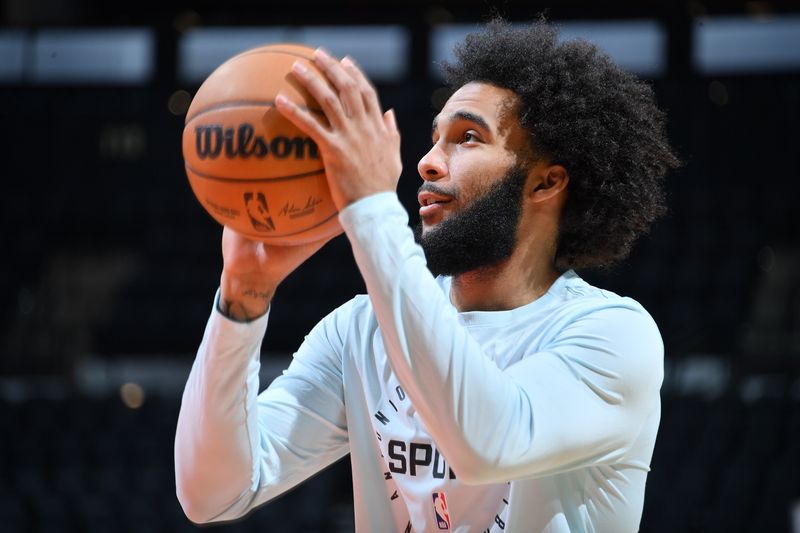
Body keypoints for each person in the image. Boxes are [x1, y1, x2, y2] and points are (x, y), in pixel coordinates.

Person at [175, 19, 680, 532]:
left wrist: (372, 207)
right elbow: (211, 493)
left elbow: (487, 445)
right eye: (434, 138)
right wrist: (243, 296)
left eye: (466, 138)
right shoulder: (362, 330)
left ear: (545, 183)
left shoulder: (612, 335)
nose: (427, 163)